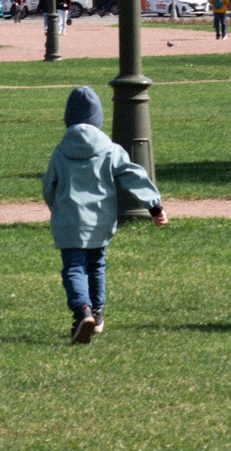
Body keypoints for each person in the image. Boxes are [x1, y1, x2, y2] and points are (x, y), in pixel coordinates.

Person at [43, 86, 166, 344]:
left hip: (69, 222)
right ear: (98, 119)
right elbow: (134, 175)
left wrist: (55, 208)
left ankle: (82, 311)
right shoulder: (110, 149)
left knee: (74, 268)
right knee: (96, 264)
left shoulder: (60, 150)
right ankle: (96, 314)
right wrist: (154, 206)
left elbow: (49, 185)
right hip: (100, 221)